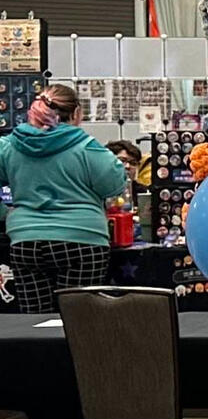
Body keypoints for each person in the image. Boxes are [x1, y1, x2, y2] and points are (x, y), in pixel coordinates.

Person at [0, 85, 128, 312]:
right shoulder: (86, 147)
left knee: (34, 320)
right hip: (82, 240)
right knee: (78, 319)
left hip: (26, 240)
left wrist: (5, 213)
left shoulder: (9, 146)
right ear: (76, 113)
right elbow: (115, 185)